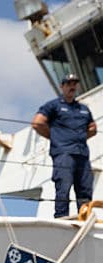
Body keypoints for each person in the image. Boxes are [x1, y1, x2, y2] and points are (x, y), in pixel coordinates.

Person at [32, 73, 97, 218]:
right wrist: (53, 136)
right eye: (68, 83)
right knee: (64, 186)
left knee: (85, 189)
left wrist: (81, 136)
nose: (72, 86)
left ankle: (84, 218)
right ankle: (61, 218)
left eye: (74, 83)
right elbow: (37, 122)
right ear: (62, 86)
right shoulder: (53, 105)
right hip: (63, 153)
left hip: (82, 154)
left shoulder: (84, 109)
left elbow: (93, 128)